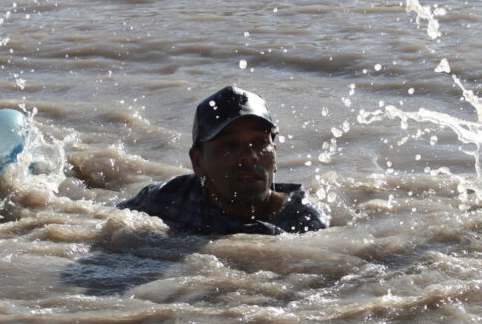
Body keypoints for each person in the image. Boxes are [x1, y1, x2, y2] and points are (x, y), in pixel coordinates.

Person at [118, 86, 329, 235]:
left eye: (259, 142)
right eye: (230, 146)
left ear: (274, 153)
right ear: (197, 161)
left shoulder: (303, 223)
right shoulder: (167, 200)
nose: (250, 156)